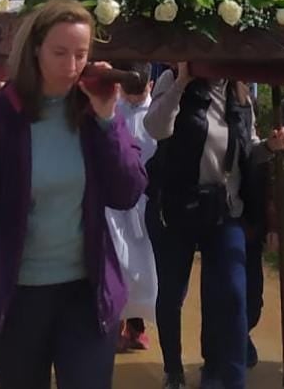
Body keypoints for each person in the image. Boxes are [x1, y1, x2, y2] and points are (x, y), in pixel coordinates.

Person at [0, 0, 147, 389]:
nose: (72, 65)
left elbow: (127, 191)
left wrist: (108, 121)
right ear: (35, 49)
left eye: (81, 54)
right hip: (16, 294)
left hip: (86, 293)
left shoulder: (95, 111)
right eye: (60, 53)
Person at [143, 66, 284, 389]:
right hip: (177, 207)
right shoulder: (173, 79)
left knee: (233, 294)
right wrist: (182, 81)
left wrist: (270, 146)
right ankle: (173, 369)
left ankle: (224, 374)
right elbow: (156, 127)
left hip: (224, 209)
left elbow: (248, 150)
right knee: (172, 292)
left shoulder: (240, 91)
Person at [106, 67, 158, 355]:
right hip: (115, 204)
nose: (134, 97)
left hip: (146, 202)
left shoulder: (157, 113)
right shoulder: (113, 110)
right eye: (129, 90)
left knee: (144, 269)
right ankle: (115, 326)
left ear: (151, 84)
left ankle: (137, 328)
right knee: (118, 264)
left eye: (140, 90)